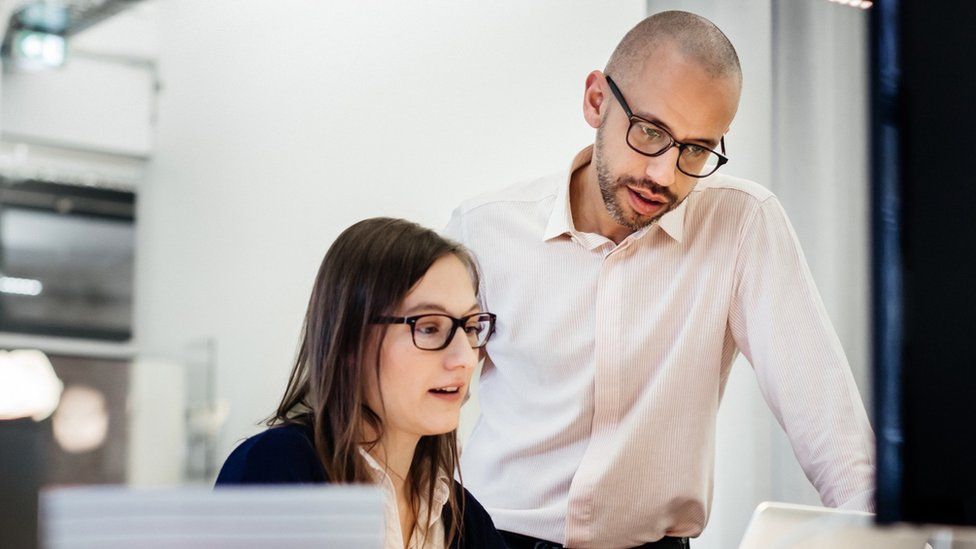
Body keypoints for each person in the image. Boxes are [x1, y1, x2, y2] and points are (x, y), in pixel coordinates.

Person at [445, 10, 875, 549]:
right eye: (650, 131)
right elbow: (411, 405)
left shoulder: (743, 225)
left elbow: (833, 433)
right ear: (596, 100)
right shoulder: (485, 227)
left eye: (696, 149)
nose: (663, 175)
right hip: (490, 537)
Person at [216, 217, 507, 549]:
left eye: (470, 327)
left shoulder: (461, 516)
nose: (466, 358)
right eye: (429, 327)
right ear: (351, 341)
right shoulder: (274, 469)